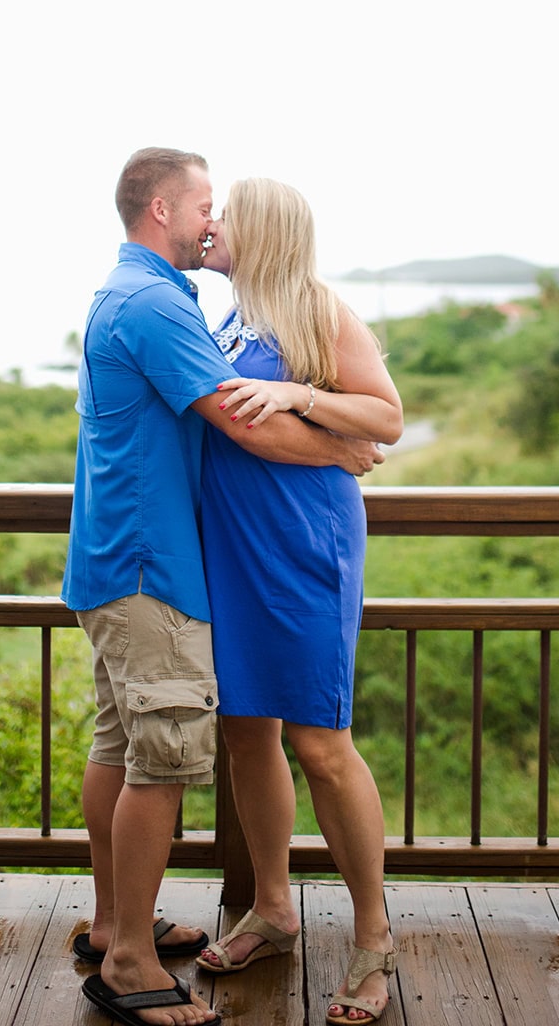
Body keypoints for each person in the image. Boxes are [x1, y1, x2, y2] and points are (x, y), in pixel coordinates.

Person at [62, 148, 383, 1026]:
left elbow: (355, 408)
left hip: (200, 559)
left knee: (141, 747)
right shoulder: (168, 304)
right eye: (206, 205)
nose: (213, 220)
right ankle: (136, 952)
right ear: (163, 209)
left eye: (226, 210)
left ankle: (117, 926)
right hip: (161, 562)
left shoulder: (167, 298)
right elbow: (242, 428)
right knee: (170, 753)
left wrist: (320, 416)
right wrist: (342, 448)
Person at [194, 177, 404, 1026]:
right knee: (246, 732)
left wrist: (300, 396)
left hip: (302, 548)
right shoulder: (230, 316)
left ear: (263, 232)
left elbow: (385, 418)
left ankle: (372, 937)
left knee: (321, 741)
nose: (208, 225)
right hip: (233, 553)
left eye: (223, 215)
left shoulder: (316, 310)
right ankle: (274, 910)